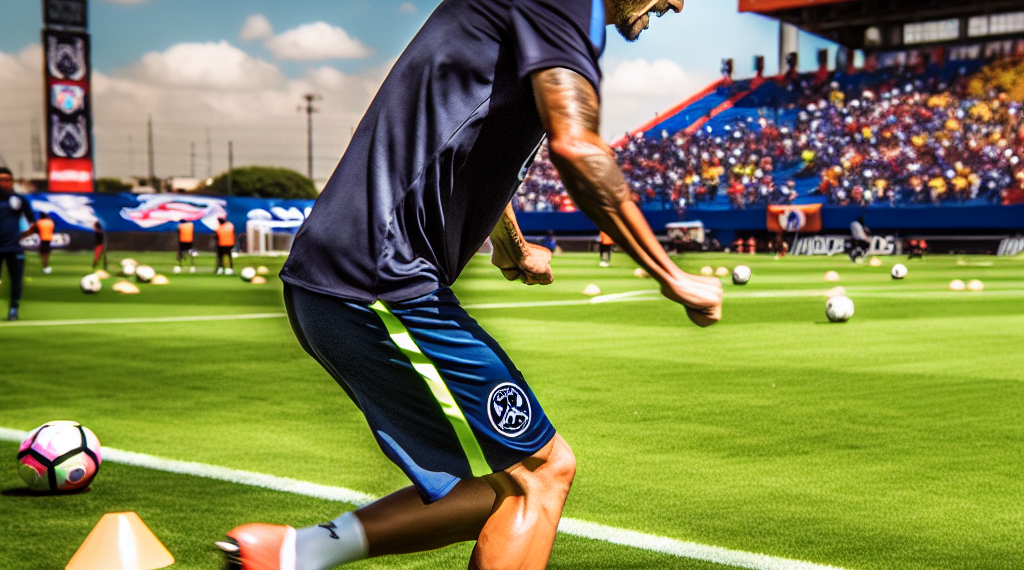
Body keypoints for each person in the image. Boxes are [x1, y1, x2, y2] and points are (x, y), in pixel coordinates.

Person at [220, 2, 722, 570]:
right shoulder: (566, 3)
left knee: (502, 485)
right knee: (541, 475)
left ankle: (295, 553)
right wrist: (672, 275)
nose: (677, 2)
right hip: (380, 280)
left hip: (351, 280)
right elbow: (578, 148)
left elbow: (466, 131)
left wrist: (509, 242)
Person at [1, 167, 35, 320]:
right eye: (1, 180)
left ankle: (14, 309)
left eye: (7, 180)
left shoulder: (19, 200)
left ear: (12, 182)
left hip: (14, 248)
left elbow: (33, 223)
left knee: (16, 281)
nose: (4, 183)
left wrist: (22, 236)